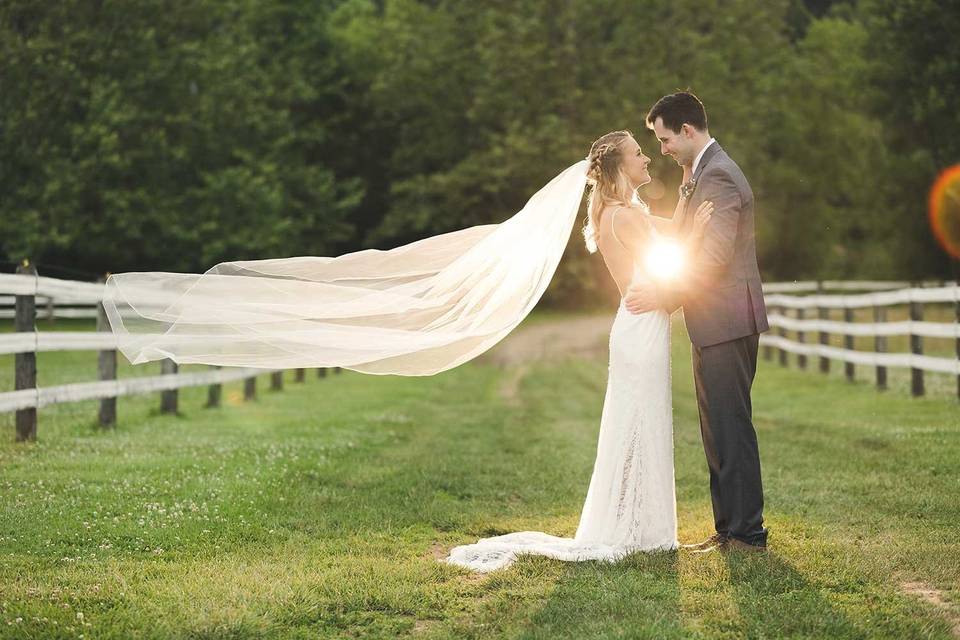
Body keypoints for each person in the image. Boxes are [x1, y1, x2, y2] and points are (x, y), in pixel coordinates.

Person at [443, 130, 713, 572]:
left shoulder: (617, 211)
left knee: (637, 423)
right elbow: (674, 253)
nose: (646, 158)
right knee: (639, 424)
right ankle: (635, 530)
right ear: (619, 167)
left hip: (636, 324)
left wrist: (686, 193)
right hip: (642, 324)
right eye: (637, 154)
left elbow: (669, 233)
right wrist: (699, 231)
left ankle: (639, 525)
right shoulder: (624, 216)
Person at [624, 91, 770, 553]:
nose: (662, 149)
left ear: (688, 131)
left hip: (727, 320)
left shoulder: (720, 177)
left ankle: (748, 534)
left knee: (732, 427)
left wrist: (664, 296)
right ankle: (728, 530)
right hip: (712, 321)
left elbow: (711, 259)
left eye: (665, 139)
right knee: (716, 429)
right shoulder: (698, 174)